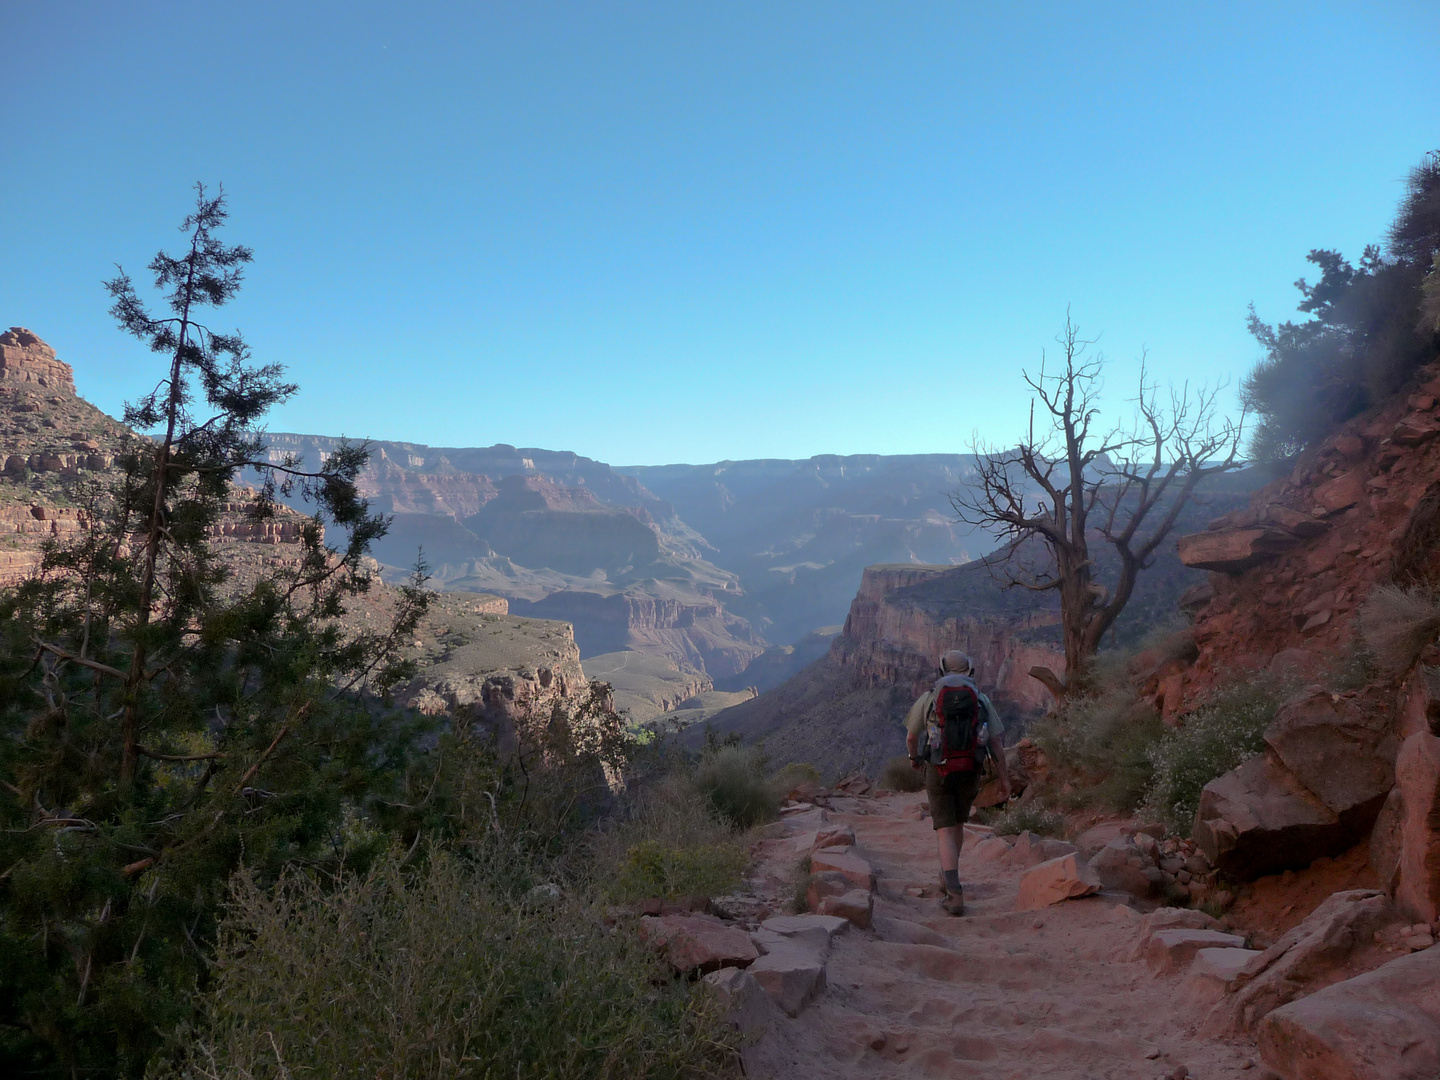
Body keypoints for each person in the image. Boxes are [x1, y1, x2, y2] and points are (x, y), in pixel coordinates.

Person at [903, 649, 1011, 915]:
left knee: (944, 830)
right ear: (970, 671)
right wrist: (1005, 779)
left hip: (938, 770)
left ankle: (953, 892)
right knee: (959, 824)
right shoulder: (981, 699)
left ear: (941, 670)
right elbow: (996, 742)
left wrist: (914, 759)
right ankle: (948, 875)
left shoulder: (929, 698)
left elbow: (910, 737)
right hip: (970, 770)